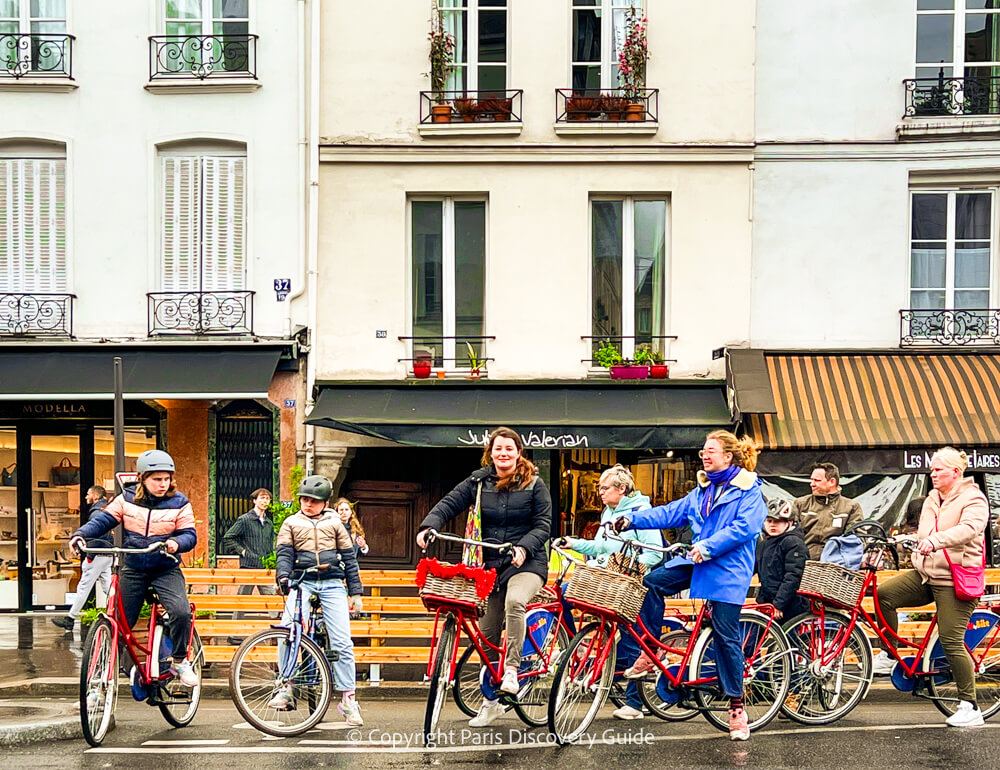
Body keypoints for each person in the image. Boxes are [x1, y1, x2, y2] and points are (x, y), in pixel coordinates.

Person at [612, 430, 766, 741]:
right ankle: (650, 647)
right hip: (697, 562)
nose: (704, 456)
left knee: (725, 635)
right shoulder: (702, 490)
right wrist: (632, 520)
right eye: (703, 452)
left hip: (727, 569)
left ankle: (737, 708)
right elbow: (670, 512)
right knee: (653, 582)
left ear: (729, 456)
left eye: (711, 451)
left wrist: (708, 546)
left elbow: (744, 528)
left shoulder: (750, 491)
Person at [416, 426, 552, 728]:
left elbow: (543, 525)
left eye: (509, 449)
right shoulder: (478, 482)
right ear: (490, 453)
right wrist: (429, 526)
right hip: (489, 566)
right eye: (498, 449)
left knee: (515, 602)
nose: (503, 454)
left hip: (526, 564)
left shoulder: (535, 485)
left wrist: (524, 547)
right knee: (486, 637)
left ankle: (513, 671)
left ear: (519, 453)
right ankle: (491, 703)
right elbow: (449, 503)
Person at [872, 447, 988, 728]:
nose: (933, 474)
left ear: (956, 472)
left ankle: (970, 706)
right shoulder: (931, 499)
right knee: (883, 595)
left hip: (955, 580)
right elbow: (926, 532)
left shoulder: (974, 499)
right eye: (932, 470)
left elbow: (968, 529)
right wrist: (911, 540)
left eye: (938, 470)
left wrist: (935, 541)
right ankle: (891, 654)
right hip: (927, 574)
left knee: (950, 640)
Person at [69, 451, 199, 687]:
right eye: (156, 479)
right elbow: (102, 521)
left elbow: (190, 535)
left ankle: (179, 661)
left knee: (180, 612)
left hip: (164, 567)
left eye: (166, 479)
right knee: (120, 624)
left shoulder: (180, 502)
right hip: (134, 566)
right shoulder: (125, 499)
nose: (163, 484)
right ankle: (103, 680)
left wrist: (176, 543)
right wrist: (80, 535)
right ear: (142, 478)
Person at [558, 464, 662, 720]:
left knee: (633, 637)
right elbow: (600, 547)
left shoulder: (641, 512)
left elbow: (654, 552)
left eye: (605, 488)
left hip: (629, 584)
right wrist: (574, 543)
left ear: (622, 489)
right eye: (600, 488)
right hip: (605, 580)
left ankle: (634, 703)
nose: (600, 493)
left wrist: (631, 569)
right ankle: (578, 645)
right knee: (562, 594)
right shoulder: (609, 511)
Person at [269, 475, 364, 726]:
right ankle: (287, 688)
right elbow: (284, 554)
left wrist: (355, 592)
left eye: (314, 500)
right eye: (304, 499)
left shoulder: (336, 523)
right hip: (302, 581)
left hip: (332, 582)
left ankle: (348, 699)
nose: (308, 504)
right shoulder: (290, 522)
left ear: (326, 502)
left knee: (342, 641)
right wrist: (283, 577)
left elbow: (349, 558)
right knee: (287, 631)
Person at [52, 486, 113, 632]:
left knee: (83, 587)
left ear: (95, 496)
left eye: (88, 494)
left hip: (97, 554)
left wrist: (89, 554)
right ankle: (117, 612)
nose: (86, 497)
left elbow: (100, 534)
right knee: (108, 587)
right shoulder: (104, 509)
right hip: (106, 554)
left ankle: (70, 618)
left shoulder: (97, 513)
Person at [222, 488, 277, 629]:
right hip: (248, 567)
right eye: (262, 498)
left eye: (267, 498)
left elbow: (271, 544)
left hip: (264, 568)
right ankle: (234, 633)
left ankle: (276, 632)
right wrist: (243, 551)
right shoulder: (245, 519)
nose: (265, 501)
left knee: (272, 600)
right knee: (242, 600)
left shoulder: (269, 523)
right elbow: (228, 537)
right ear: (254, 500)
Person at [793, 462, 864, 561]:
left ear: (832, 482)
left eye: (817, 480)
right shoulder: (800, 504)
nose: (812, 484)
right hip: (803, 563)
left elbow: (856, 540)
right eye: (811, 480)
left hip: (834, 567)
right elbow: (791, 536)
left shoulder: (851, 507)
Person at [755, 499, 809, 622]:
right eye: (769, 521)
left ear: (790, 523)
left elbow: (793, 576)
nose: (772, 525)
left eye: (778, 521)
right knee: (754, 638)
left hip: (790, 606)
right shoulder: (764, 544)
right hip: (768, 603)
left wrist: (779, 605)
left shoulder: (793, 543)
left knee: (790, 639)